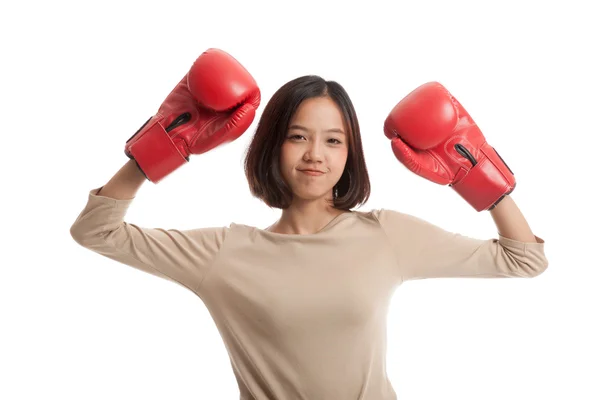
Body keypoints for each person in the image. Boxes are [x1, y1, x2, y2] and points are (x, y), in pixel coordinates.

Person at [70, 47, 548, 400]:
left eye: (334, 141)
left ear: (349, 153)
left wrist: (475, 171)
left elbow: (523, 259)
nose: (315, 155)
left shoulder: (385, 236)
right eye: (298, 136)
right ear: (273, 145)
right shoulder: (223, 254)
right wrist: (165, 143)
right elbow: (96, 231)